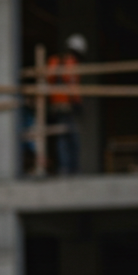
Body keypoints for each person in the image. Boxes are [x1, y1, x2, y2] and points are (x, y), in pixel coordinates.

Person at [47, 35, 85, 174]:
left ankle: (64, 168)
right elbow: (73, 85)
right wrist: (77, 103)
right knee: (72, 137)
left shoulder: (54, 61)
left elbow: (49, 81)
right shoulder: (71, 63)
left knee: (62, 136)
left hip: (56, 104)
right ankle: (72, 168)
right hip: (68, 105)